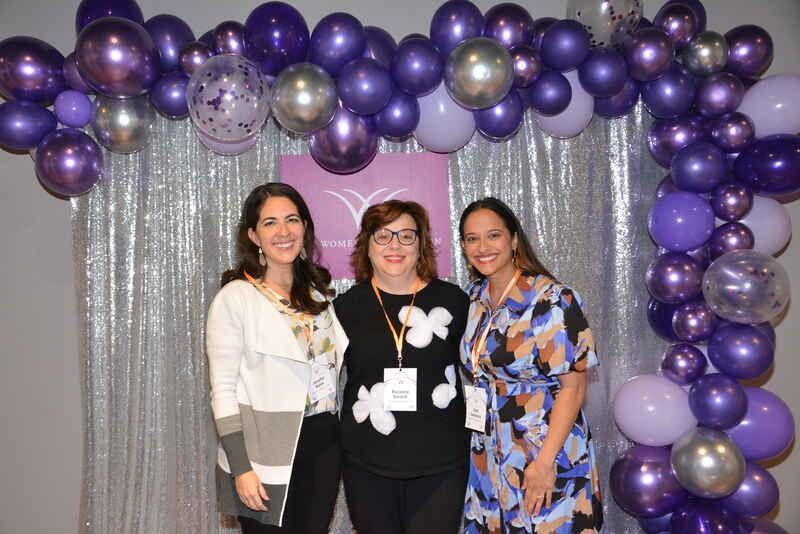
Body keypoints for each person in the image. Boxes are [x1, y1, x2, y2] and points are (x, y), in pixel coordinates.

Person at [206, 183, 348, 533]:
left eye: (292, 220)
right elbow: (222, 390)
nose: (283, 231)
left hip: (323, 441)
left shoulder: (318, 297)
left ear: (304, 228)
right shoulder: (236, 298)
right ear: (253, 234)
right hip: (263, 450)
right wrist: (241, 467)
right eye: (270, 223)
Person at [458, 198, 603, 533]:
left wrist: (545, 462)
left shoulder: (550, 298)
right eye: (472, 239)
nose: (483, 247)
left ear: (513, 239)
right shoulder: (474, 297)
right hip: (490, 451)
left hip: (543, 448)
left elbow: (574, 385)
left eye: (493, 236)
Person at [334, 200, 470, 534]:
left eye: (406, 236)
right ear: (367, 245)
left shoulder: (454, 302)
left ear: (421, 245)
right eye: (383, 235)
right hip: (367, 462)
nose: (394, 245)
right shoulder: (343, 309)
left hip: (441, 463)